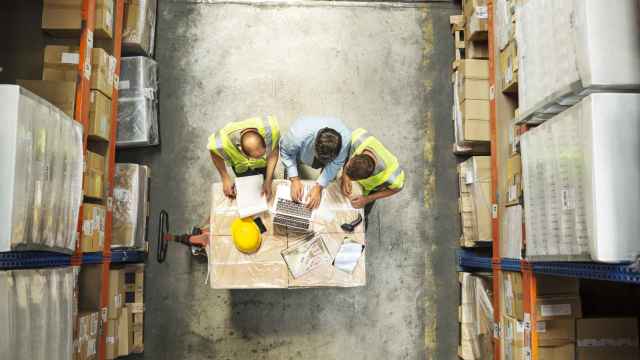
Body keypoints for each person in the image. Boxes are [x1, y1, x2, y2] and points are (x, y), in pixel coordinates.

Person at [280, 117, 351, 209]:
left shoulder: (345, 141)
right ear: (314, 147)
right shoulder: (296, 135)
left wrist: (319, 187)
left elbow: (335, 164)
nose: (323, 162)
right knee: (293, 163)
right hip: (300, 151)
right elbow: (286, 152)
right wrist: (294, 179)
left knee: (329, 174)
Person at [208, 115, 280, 199]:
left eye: (261, 155)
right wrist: (225, 178)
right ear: (242, 151)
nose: (258, 159)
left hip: (263, 165)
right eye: (255, 157)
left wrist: (268, 180)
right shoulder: (221, 142)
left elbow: (273, 153)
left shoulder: (270, 132)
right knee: (247, 185)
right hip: (241, 166)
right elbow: (215, 153)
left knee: (266, 175)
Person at [340, 128, 405, 217]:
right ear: (356, 155)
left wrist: (367, 199)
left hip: (370, 191)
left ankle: (365, 216)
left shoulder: (391, 175)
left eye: (354, 179)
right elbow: (346, 154)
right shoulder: (358, 137)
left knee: (362, 212)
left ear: (367, 177)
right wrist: (345, 176)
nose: (351, 180)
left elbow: (397, 189)